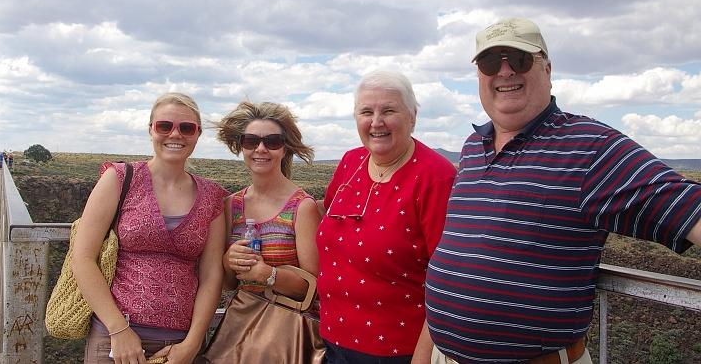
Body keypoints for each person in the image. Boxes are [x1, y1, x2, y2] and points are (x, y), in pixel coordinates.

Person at [426, 17, 701, 364]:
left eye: (520, 59)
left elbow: (689, 208)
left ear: (547, 69)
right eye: (491, 62)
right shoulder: (471, 148)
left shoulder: (590, 147)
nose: (505, 71)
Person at [72, 92, 227, 364]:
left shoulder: (212, 197)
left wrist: (192, 344)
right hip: (114, 341)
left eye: (186, 128)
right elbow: (82, 259)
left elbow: (211, 275)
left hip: (179, 346)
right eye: (164, 126)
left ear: (197, 134)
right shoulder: (119, 178)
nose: (175, 134)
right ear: (151, 130)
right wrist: (118, 330)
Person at [317, 69, 456, 364]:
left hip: (398, 352)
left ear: (412, 117)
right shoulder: (351, 162)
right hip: (333, 341)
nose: (376, 122)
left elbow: (448, 282)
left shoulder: (435, 178)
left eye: (389, 111)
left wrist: (422, 358)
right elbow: (325, 216)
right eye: (366, 112)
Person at [215, 101, 321, 302]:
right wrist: (228, 262)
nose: (261, 148)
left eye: (272, 141)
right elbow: (228, 284)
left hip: (284, 321)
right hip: (242, 319)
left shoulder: (302, 207)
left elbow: (314, 288)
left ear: (284, 149)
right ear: (242, 147)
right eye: (251, 141)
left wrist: (268, 275)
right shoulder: (231, 206)